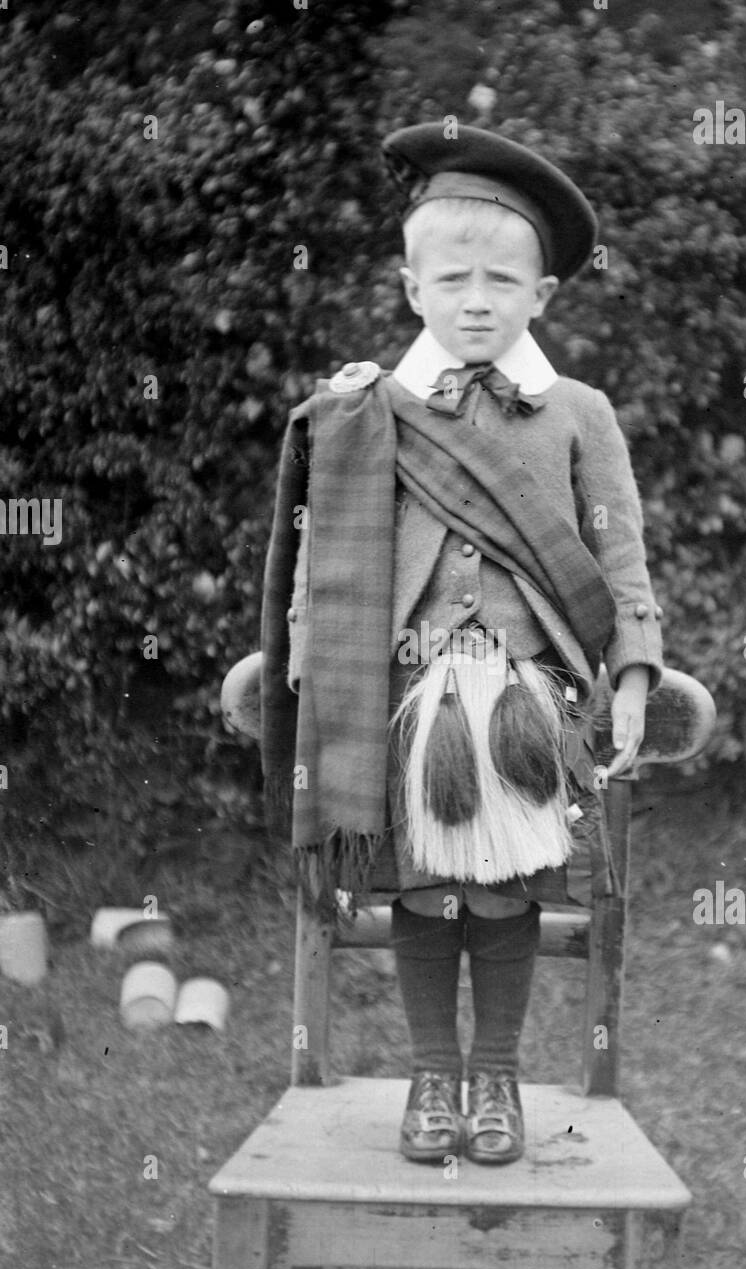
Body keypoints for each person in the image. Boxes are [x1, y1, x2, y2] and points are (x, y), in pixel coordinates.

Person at [260, 123, 663, 1165]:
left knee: (506, 892)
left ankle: (499, 1082)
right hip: (406, 704)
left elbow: (621, 565)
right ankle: (431, 1077)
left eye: (501, 279)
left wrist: (630, 673)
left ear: (543, 296)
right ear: (410, 286)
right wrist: (310, 668)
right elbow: (328, 559)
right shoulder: (368, 413)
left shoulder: (577, 413)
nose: (476, 298)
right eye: (452, 278)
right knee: (425, 893)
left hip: (528, 710)